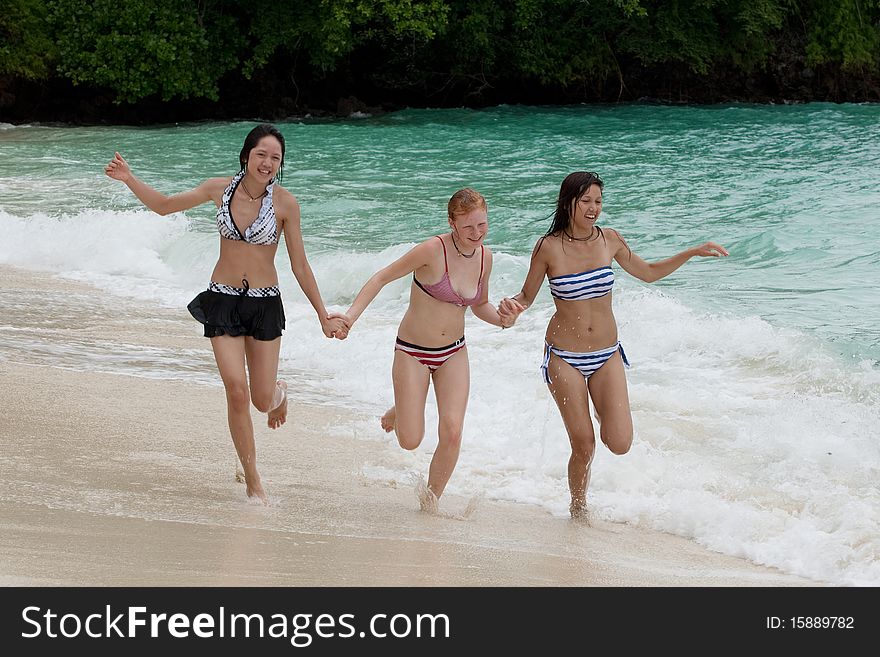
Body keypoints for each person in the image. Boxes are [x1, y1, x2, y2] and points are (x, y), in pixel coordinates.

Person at [104, 124, 347, 504]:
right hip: (223, 299)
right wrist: (129, 178)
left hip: (265, 303)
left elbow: (299, 264)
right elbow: (165, 206)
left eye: (275, 158)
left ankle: (279, 393)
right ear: (247, 154)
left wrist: (322, 314)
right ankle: (253, 479)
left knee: (260, 399)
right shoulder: (219, 189)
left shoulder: (285, 204)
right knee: (237, 390)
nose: (267, 163)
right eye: (261, 154)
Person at [499, 171, 728, 521]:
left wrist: (692, 252)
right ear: (568, 202)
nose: (593, 208)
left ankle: (598, 407)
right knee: (584, 445)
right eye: (586, 201)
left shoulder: (610, 240)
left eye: (598, 201)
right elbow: (526, 296)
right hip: (564, 357)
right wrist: (510, 309)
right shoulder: (549, 247)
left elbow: (649, 272)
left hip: (606, 354)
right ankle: (578, 508)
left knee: (619, 443)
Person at [336, 188, 524, 512]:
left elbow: (480, 306)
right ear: (452, 223)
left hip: (454, 352)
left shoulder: (485, 258)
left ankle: (430, 502)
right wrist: (350, 317)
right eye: (468, 227)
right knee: (410, 440)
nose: (476, 234)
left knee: (452, 432)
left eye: (482, 225)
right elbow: (381, 277)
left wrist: (506, 320)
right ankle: (403, 406)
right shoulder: (431, 251)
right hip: (412, 352)